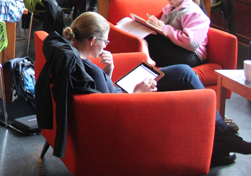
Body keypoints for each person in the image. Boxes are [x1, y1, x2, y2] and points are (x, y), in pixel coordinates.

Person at [60, 12, 250, 166]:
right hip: (128, 103)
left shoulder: (76, 59)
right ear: (93, 41)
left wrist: (108, 71)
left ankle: (219, 139)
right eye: (105, 42)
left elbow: (102, 96)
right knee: (186, 79)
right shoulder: (90, 70)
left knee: (184, 72)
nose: (106, 46)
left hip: (121, 94)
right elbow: (110, 112)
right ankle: (222, 139)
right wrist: (138, 93)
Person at [143, 0, 210, 68]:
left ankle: (146, 60)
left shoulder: (193, 13)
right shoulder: (169, 8)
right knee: (146, 35)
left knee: (151, 41)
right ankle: (146, 59)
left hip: (192, 55)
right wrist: (156, 25)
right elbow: (164, 31)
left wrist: (165, 28)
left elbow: (191, 44)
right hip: (177, 47)